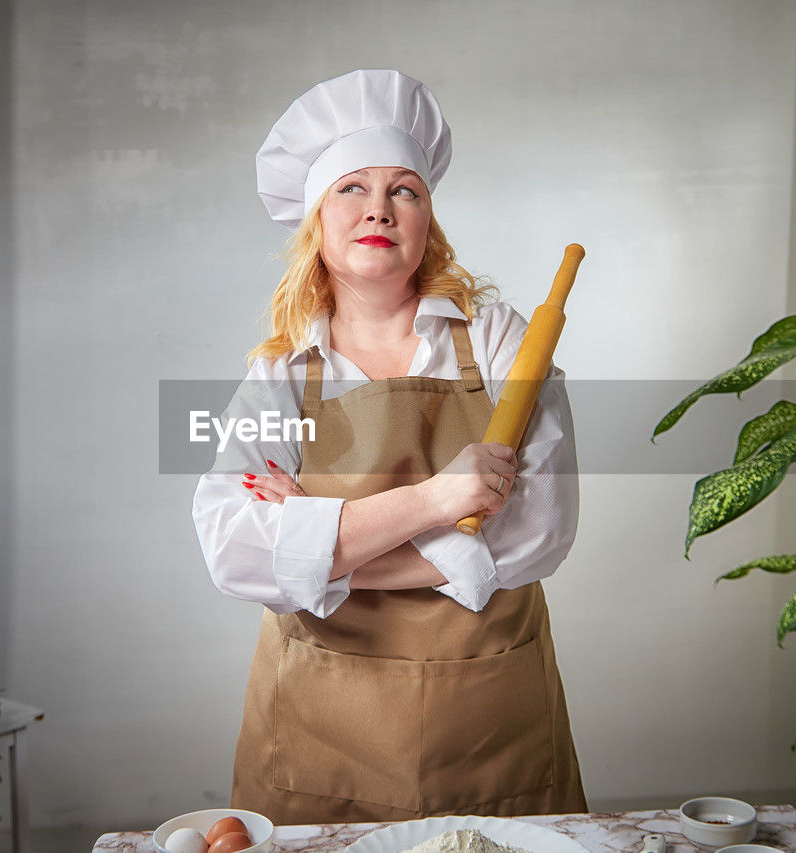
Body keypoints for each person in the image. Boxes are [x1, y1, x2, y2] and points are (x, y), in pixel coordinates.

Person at [191, 69, 585, 824]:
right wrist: (441, 502)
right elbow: (233, 546)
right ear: (316, 219)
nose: (378, 207)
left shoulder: (500, 340)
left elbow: (542, 528)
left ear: (427, 219)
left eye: (404, 189)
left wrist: (324, 547)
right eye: (351, 188)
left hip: (489, 725)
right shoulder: (280, 373)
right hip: (318, 727)